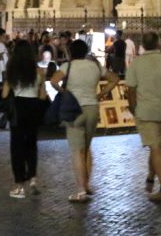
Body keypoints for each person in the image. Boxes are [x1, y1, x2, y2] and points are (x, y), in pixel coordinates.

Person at [51, 37, 118, 202]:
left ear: (71, 52)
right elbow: (114, 79)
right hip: (92, 108)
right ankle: (87, 184)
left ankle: (80, 190)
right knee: (87, 148)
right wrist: (101, 94)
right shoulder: (95, 66)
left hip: (74, 109)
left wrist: (64, 91)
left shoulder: (68, 66)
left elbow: (53, 81)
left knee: (77, 151)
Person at [125, 31, 161, 202]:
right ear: (159, 44)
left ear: (142, 45)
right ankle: (150, 178)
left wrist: (134, 110)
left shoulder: (136, 64)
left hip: (145, 111)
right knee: (156, 146)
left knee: (155, 148)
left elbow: (131, 91)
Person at [3, 38, 46, 197]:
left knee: (17, 147)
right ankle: (33, 178)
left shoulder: (12, 71)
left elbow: (5, 94)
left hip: (18, 109)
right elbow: (42, 96)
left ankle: (19, 185)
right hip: (33, 107)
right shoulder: (39, 71)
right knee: (31, 144)